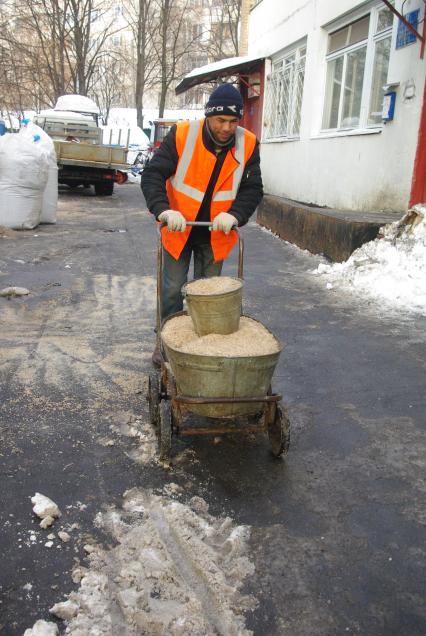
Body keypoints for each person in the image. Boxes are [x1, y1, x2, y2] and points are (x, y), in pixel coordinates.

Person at [141, 83, 263, 365]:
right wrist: (163, 210)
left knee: (207, 296)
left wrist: (234, 215)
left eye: (233, 121)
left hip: (215, 231)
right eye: (220, 120)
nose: (227, 128)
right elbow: (153, 175)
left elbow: (252, 189)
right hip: (179, 228)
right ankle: (167, 342)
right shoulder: (183, 134)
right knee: (172, 290)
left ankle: (202, 347)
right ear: (208, 116)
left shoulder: (248, 144)